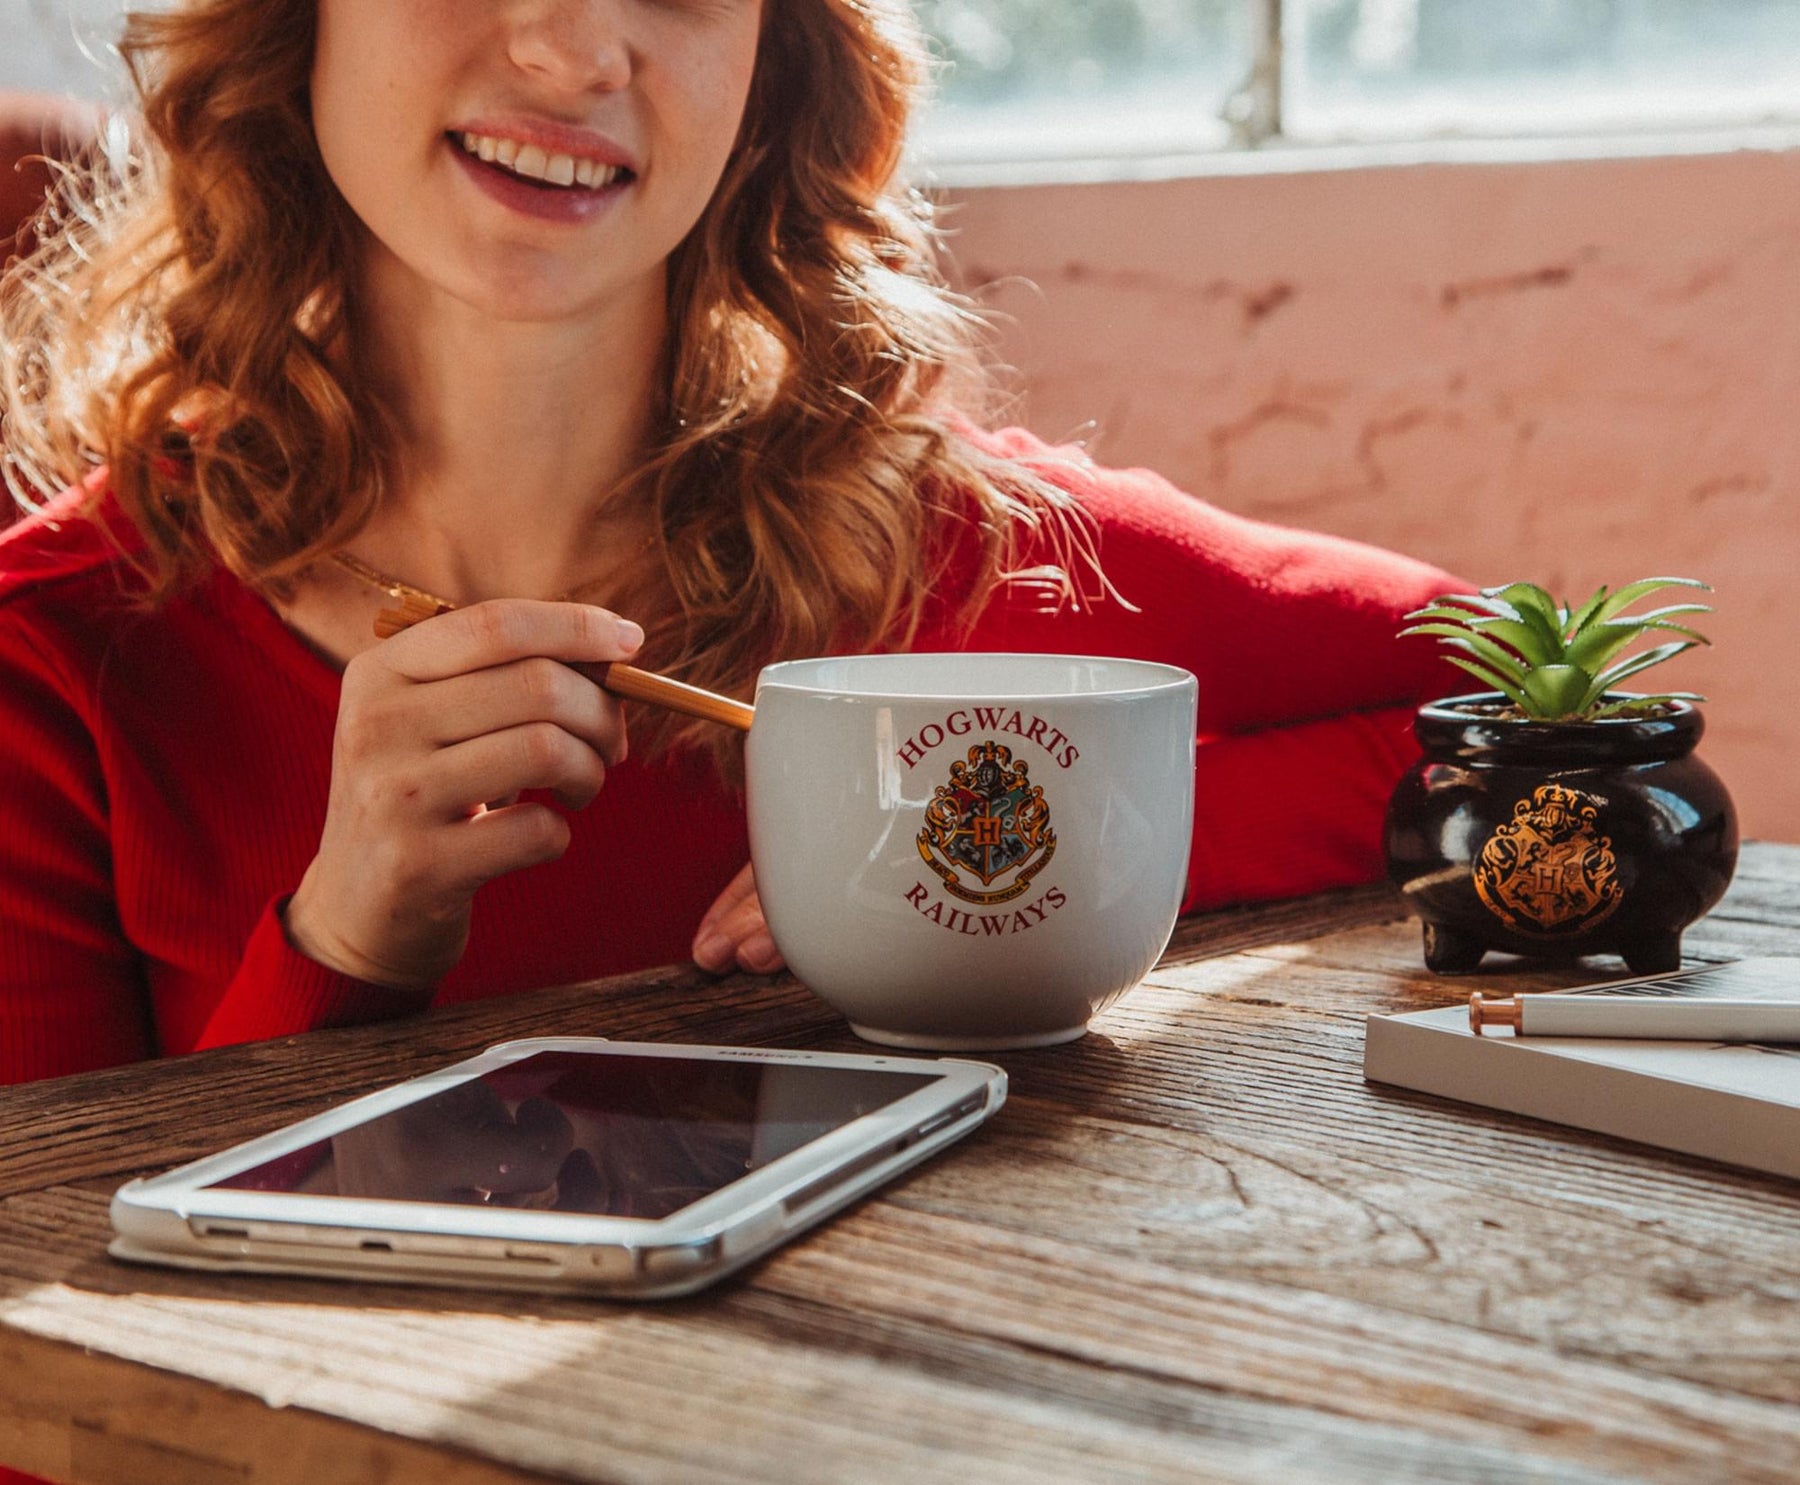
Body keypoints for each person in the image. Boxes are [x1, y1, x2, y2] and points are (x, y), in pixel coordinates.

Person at [0, 0, 1458, 1090]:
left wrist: (1088, 848)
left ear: (777, 67)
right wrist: (345, 946)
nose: (577, 55)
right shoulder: (55, 650)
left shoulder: (951, 549)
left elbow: (1542, 707)